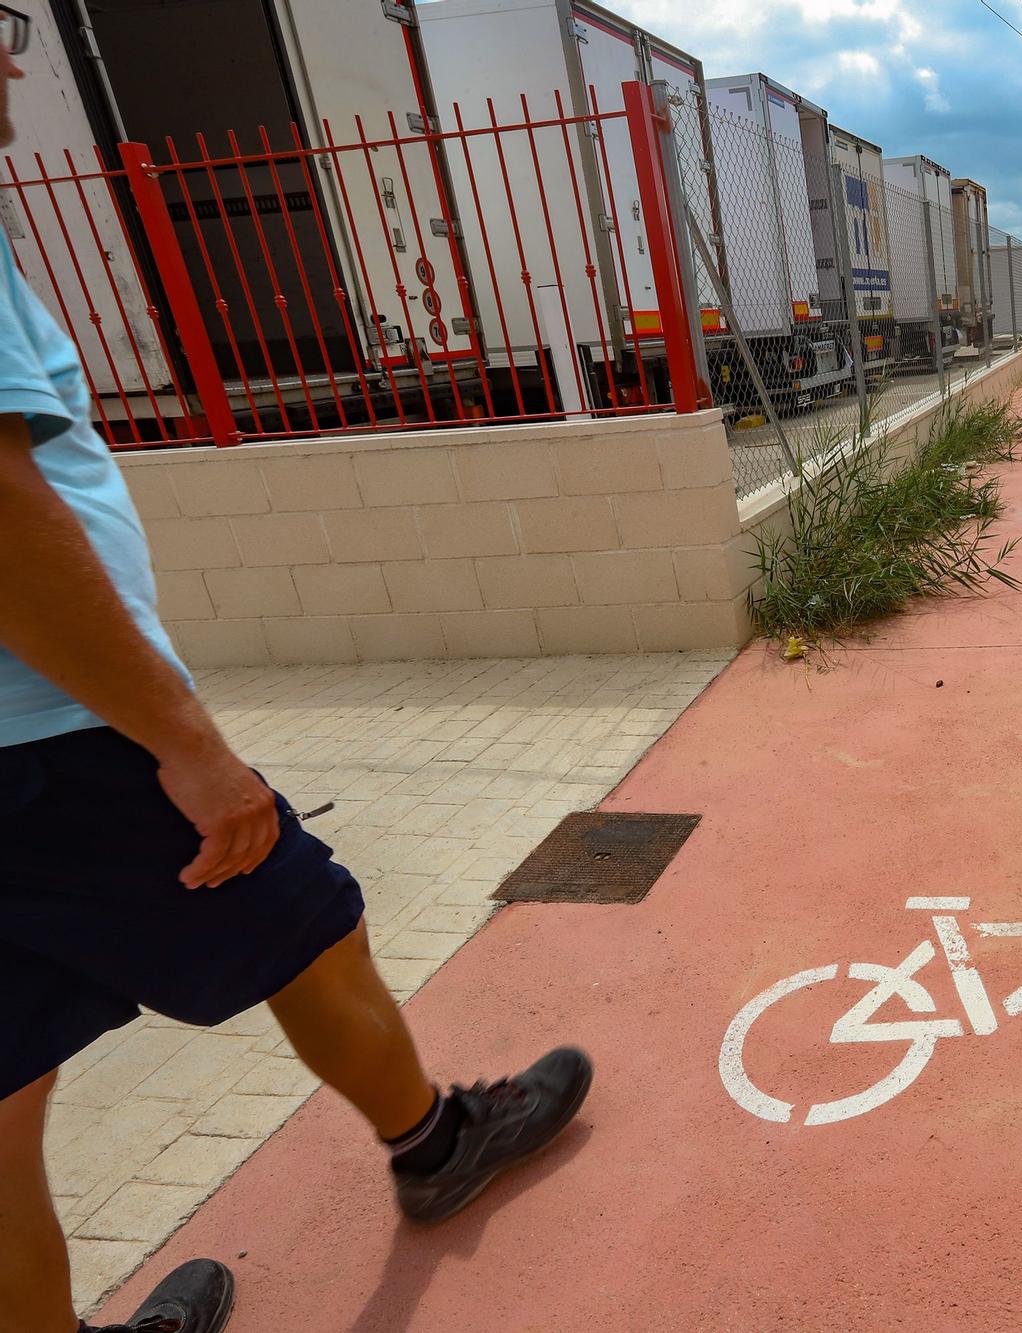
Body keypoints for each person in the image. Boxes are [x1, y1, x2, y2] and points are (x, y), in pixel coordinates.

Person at [0, 13, 591, 1332]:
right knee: (308, 932)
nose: (17, 59)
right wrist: (185, 740)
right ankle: (439, 1145)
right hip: (55, 741)